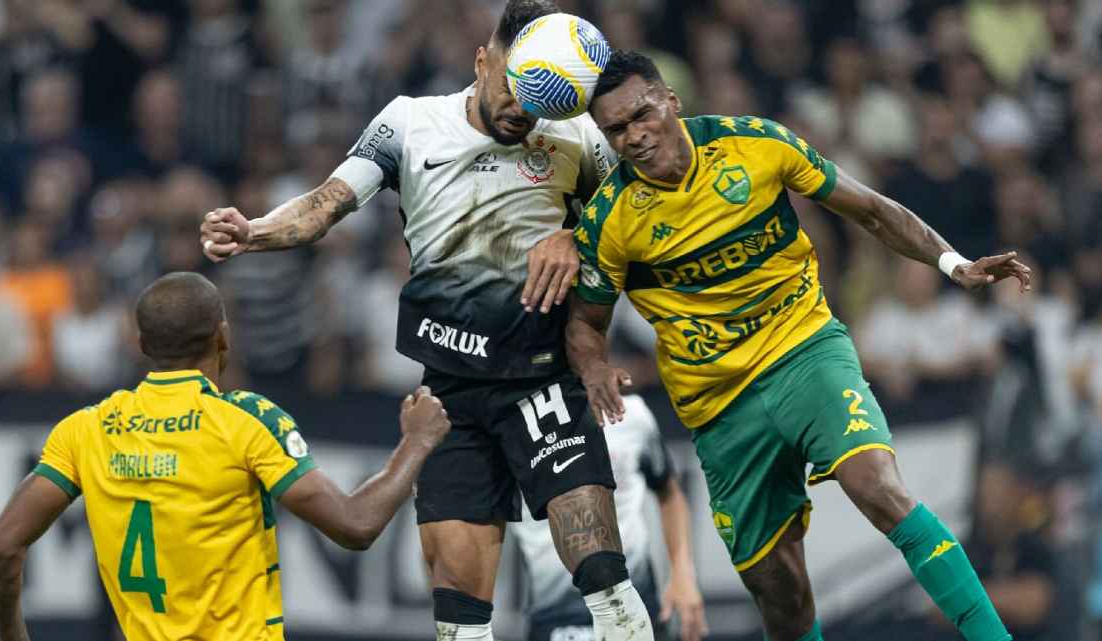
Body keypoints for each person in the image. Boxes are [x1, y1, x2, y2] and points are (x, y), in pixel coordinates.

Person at [198, 3, 654, 641]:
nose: (524, 109)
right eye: (512, 87)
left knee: (604, 578)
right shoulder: (409, 123)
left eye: (541, 99)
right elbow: (327, 203)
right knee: (461, 619)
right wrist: (254, 231)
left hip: (543, 381)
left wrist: (580, 237)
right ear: (482, 61)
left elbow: (641, 211)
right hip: (450, 397)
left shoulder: (574, 136)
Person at [567, 50, 1032, 641]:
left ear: (671, 102)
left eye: (642, 115)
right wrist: (594, 366)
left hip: (802, 349)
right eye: (617, 129)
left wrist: (953, 263)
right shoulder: (610, 218)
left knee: (879, 487)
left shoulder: (755, 145)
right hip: (718, 404)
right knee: (779, 595)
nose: (634, 136)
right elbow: (585, 321)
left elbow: (872, 211)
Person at [0, 272, 451, 641]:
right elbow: (355, 524)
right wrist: (416, 442)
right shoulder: (244, 421)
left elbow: (0, 550)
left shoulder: (87, 428)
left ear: (141, 345)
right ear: (222, 336)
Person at [510, 394, 707, 641]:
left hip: (636, 602)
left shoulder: (631, 415)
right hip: (556, 612)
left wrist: (682, 574)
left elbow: (669, 494)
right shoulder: (512, 423)